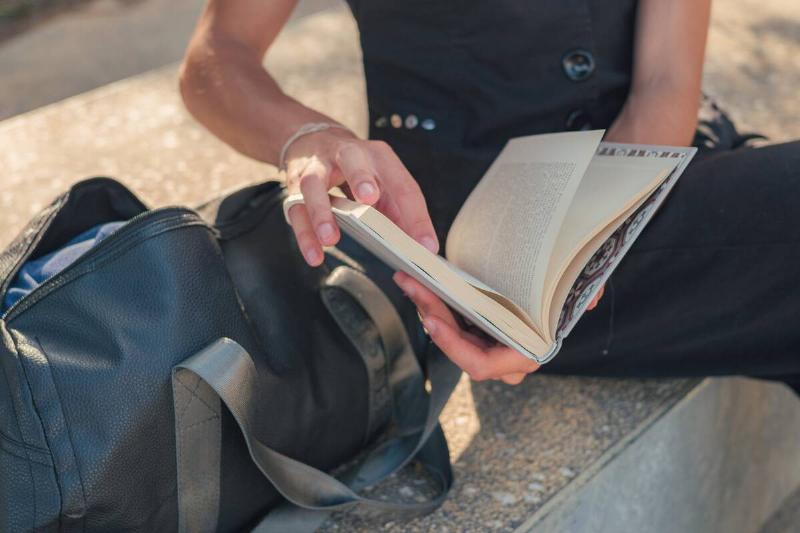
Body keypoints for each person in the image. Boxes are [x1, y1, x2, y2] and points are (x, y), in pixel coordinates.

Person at [179, 0, 800, 392]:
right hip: (467, 247)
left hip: (626, 195)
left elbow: (665, 82)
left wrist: (586, 245)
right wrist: (307, 137)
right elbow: (217, 58)